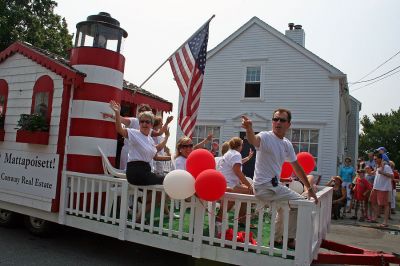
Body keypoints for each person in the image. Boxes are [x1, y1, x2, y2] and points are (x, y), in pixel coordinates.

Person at [242, 108, 318, 249]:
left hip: (274, 187)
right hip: (264, 187)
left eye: (282, 120)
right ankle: (289, 239)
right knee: (300, 203)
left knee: (285, 208)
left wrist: (308, 187)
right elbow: (253, 140)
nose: (278, 122)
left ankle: (277, 239)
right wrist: (249, 129)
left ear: (288, 124)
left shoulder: (286, 144)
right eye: (275, 119)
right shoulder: (265, 136)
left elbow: (297, 167)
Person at [109, 100, 170, 185]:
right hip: (136, 171)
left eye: (147, 122)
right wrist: (117, 113)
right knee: (166, 181)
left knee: (161, 186)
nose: (144, 124)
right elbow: (120, 129)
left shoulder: (150, 139)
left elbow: (156, 156)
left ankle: (142, 199)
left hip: (146, 171)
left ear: (152, 125)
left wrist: (172, 157)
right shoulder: (133, 133)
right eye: (142, 121)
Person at [103, 104, 173, 170]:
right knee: (124, 173)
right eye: (141, 110)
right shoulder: (135, 121)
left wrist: (166, 123)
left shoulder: (149, 130)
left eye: (145, 110)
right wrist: (113, 115)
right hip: (128, 151)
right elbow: (122, 120)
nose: (142, 112)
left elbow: (159, 133)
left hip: (142, 155)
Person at [215, 137, 254, 228]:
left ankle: (221, 219)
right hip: (230, 186)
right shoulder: (236, 154)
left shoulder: (228, 153)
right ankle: (241, 219)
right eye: (242, 145)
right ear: (240, 146)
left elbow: (237, 163)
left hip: (224, 184)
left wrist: (248, 158)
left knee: (234, 201)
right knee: (251, 192)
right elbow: (237, 171)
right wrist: (249, 185)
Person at [369, 153, 393, 227]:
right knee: (372, 201)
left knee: (385, 205)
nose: (374, 160)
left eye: (376, 159)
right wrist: (371, 173)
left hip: (383, 188)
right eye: (374, 159)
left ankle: (385, 222)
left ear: (380, 159)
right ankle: (375, 218)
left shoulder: (386, 166)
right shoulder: (378, 166)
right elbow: (377, 176)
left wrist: (382, 172)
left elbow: (392, 176)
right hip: (375, 187)